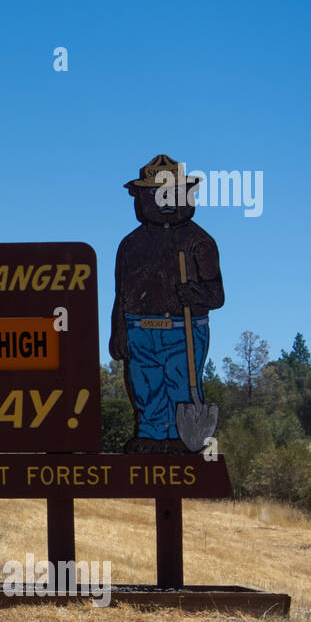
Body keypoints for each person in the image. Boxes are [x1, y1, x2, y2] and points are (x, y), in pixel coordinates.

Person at [108, 155, 224, 453]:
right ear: (141, 198)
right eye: (158, 194)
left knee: (181, 383)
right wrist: (119, 330)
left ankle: (178, 439)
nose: (166, 201)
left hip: (184, 329)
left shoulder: (200, 242)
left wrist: (195, 294)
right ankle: (150, 434)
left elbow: (217, 295)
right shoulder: (131, 245)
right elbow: (121, 294)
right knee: (146, 384)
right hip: (139, 327)